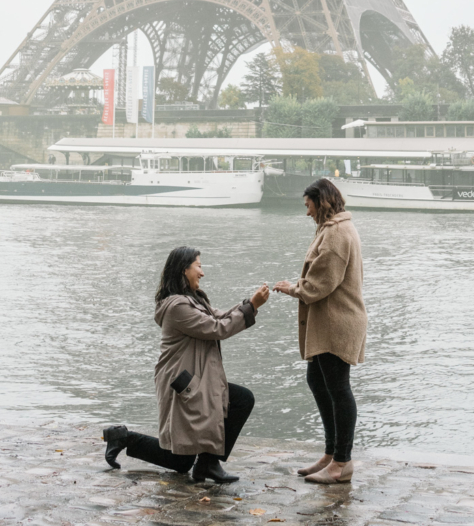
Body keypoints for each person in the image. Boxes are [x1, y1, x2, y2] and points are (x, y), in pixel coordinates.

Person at [103, 246, 269, 484]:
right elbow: (216, 329)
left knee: (182, 460)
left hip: (196, 380)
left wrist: (249, 304)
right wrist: (251, 307)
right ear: (184, 270)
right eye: (199, 266)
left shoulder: (193, 299)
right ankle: (203, 463)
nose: (202, 272)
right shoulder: (177, 307)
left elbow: (218, 317)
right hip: (184, 383)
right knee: (239, 402)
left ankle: (206, 464)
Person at [272, 177, 366, 485]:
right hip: (330, 320)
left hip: (338, 322)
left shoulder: (337, 233)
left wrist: (293, 288)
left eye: (308, 205)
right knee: (318, 380)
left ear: (320, 201)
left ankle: (342, 462)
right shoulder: (333, 229)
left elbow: (321, 283)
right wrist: (298, 286)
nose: (307, 212)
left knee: (338, 389)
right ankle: (331, 454)